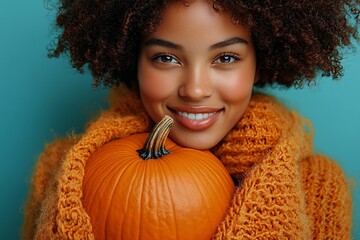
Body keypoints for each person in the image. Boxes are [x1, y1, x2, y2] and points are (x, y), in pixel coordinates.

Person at [23, 0, 359, 239]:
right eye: (166, 57)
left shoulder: (318, 187)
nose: (195, 89)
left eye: (226, 57)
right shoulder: (64, 171)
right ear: (133, 62)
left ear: (259, 62)